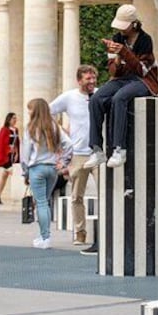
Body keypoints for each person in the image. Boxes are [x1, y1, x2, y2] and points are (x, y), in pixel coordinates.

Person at [84, 4, 158, 169]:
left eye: (124, 27)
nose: (122, 31)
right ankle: (97, 149)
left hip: (144, 81)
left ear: (133, 24)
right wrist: (117, 57)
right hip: (122, 79)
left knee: (120, 98)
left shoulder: (145, 40)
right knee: (96, 99)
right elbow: (113, 71)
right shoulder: (117, 38)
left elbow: (143, 70)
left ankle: (119, 149)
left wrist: (124, 52)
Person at [50, 65, 98, 245]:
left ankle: (107, 231)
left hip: (98, 152)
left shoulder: (100, 95)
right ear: (79, 80)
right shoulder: (69, 97)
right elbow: (48, 110)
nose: (92, 82)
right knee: (77, 196)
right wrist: (61, 135)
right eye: (88, 79)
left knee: (108, 193)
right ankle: (80, 232)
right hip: (78, 154)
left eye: (94, 78)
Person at [21, 98, 73, 249]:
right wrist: (63, 162)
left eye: (30, 109)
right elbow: (69, 144)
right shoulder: (54, 126)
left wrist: (25, 172)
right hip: (52, 169)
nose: (29, 112)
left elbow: (25, 154)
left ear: (35, 110)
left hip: (36, 168)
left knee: (41, 203)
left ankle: (45, 237)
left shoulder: (31, 128)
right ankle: (44, 235)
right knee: (46, 202)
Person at [0, 112, 19, 204]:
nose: (15, 120)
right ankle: (17, 194)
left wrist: (17, 153)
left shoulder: (16, 130)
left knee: (4, 175)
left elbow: (17, 142)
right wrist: (8, 150)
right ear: (9, 119)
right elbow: (1, 143)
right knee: (13, 172)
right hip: (6, 155)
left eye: (15, 118)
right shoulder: (4, 130)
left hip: (12, 155)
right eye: (13, 118)